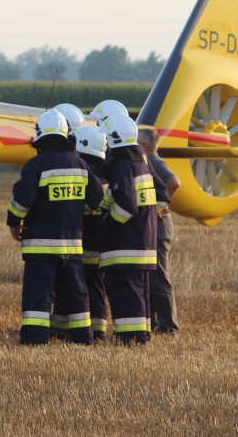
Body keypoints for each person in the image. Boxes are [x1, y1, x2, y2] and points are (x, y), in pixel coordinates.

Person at [6, 110, 103, 345]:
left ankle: (35, 338)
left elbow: (22, 201)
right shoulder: (80, 164)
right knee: (76, 292)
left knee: (39, 292)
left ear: (41, 136)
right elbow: (97, 198)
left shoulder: (36, 165)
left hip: (41, 245)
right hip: (72, 245)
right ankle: (84, 337)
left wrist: (13, 222)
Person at [99, 114, 158, 345]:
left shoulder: (125, 167)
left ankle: (130, 337)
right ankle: (141, 334)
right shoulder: (141, 164)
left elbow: (126, 207)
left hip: (126, 244)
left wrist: (107, 224)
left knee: (125, 293)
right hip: (144, 243)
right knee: (140, 293)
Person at [137, 128, 181, 334]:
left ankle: (169, 326)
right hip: (154, 228)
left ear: (144, 146)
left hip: (160, 228)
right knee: (151, 278)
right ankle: (154, 322)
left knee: (160, 278)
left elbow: (174, 182)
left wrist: (162, 203)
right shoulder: (147, 161)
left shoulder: (153, 161)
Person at [74, 124, 110, 339]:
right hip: (102, 247)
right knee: (97, 288)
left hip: (84, 245)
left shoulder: (88, 180)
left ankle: (81, 329)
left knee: (80, 287)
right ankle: (99, 329)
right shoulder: (107, 179)